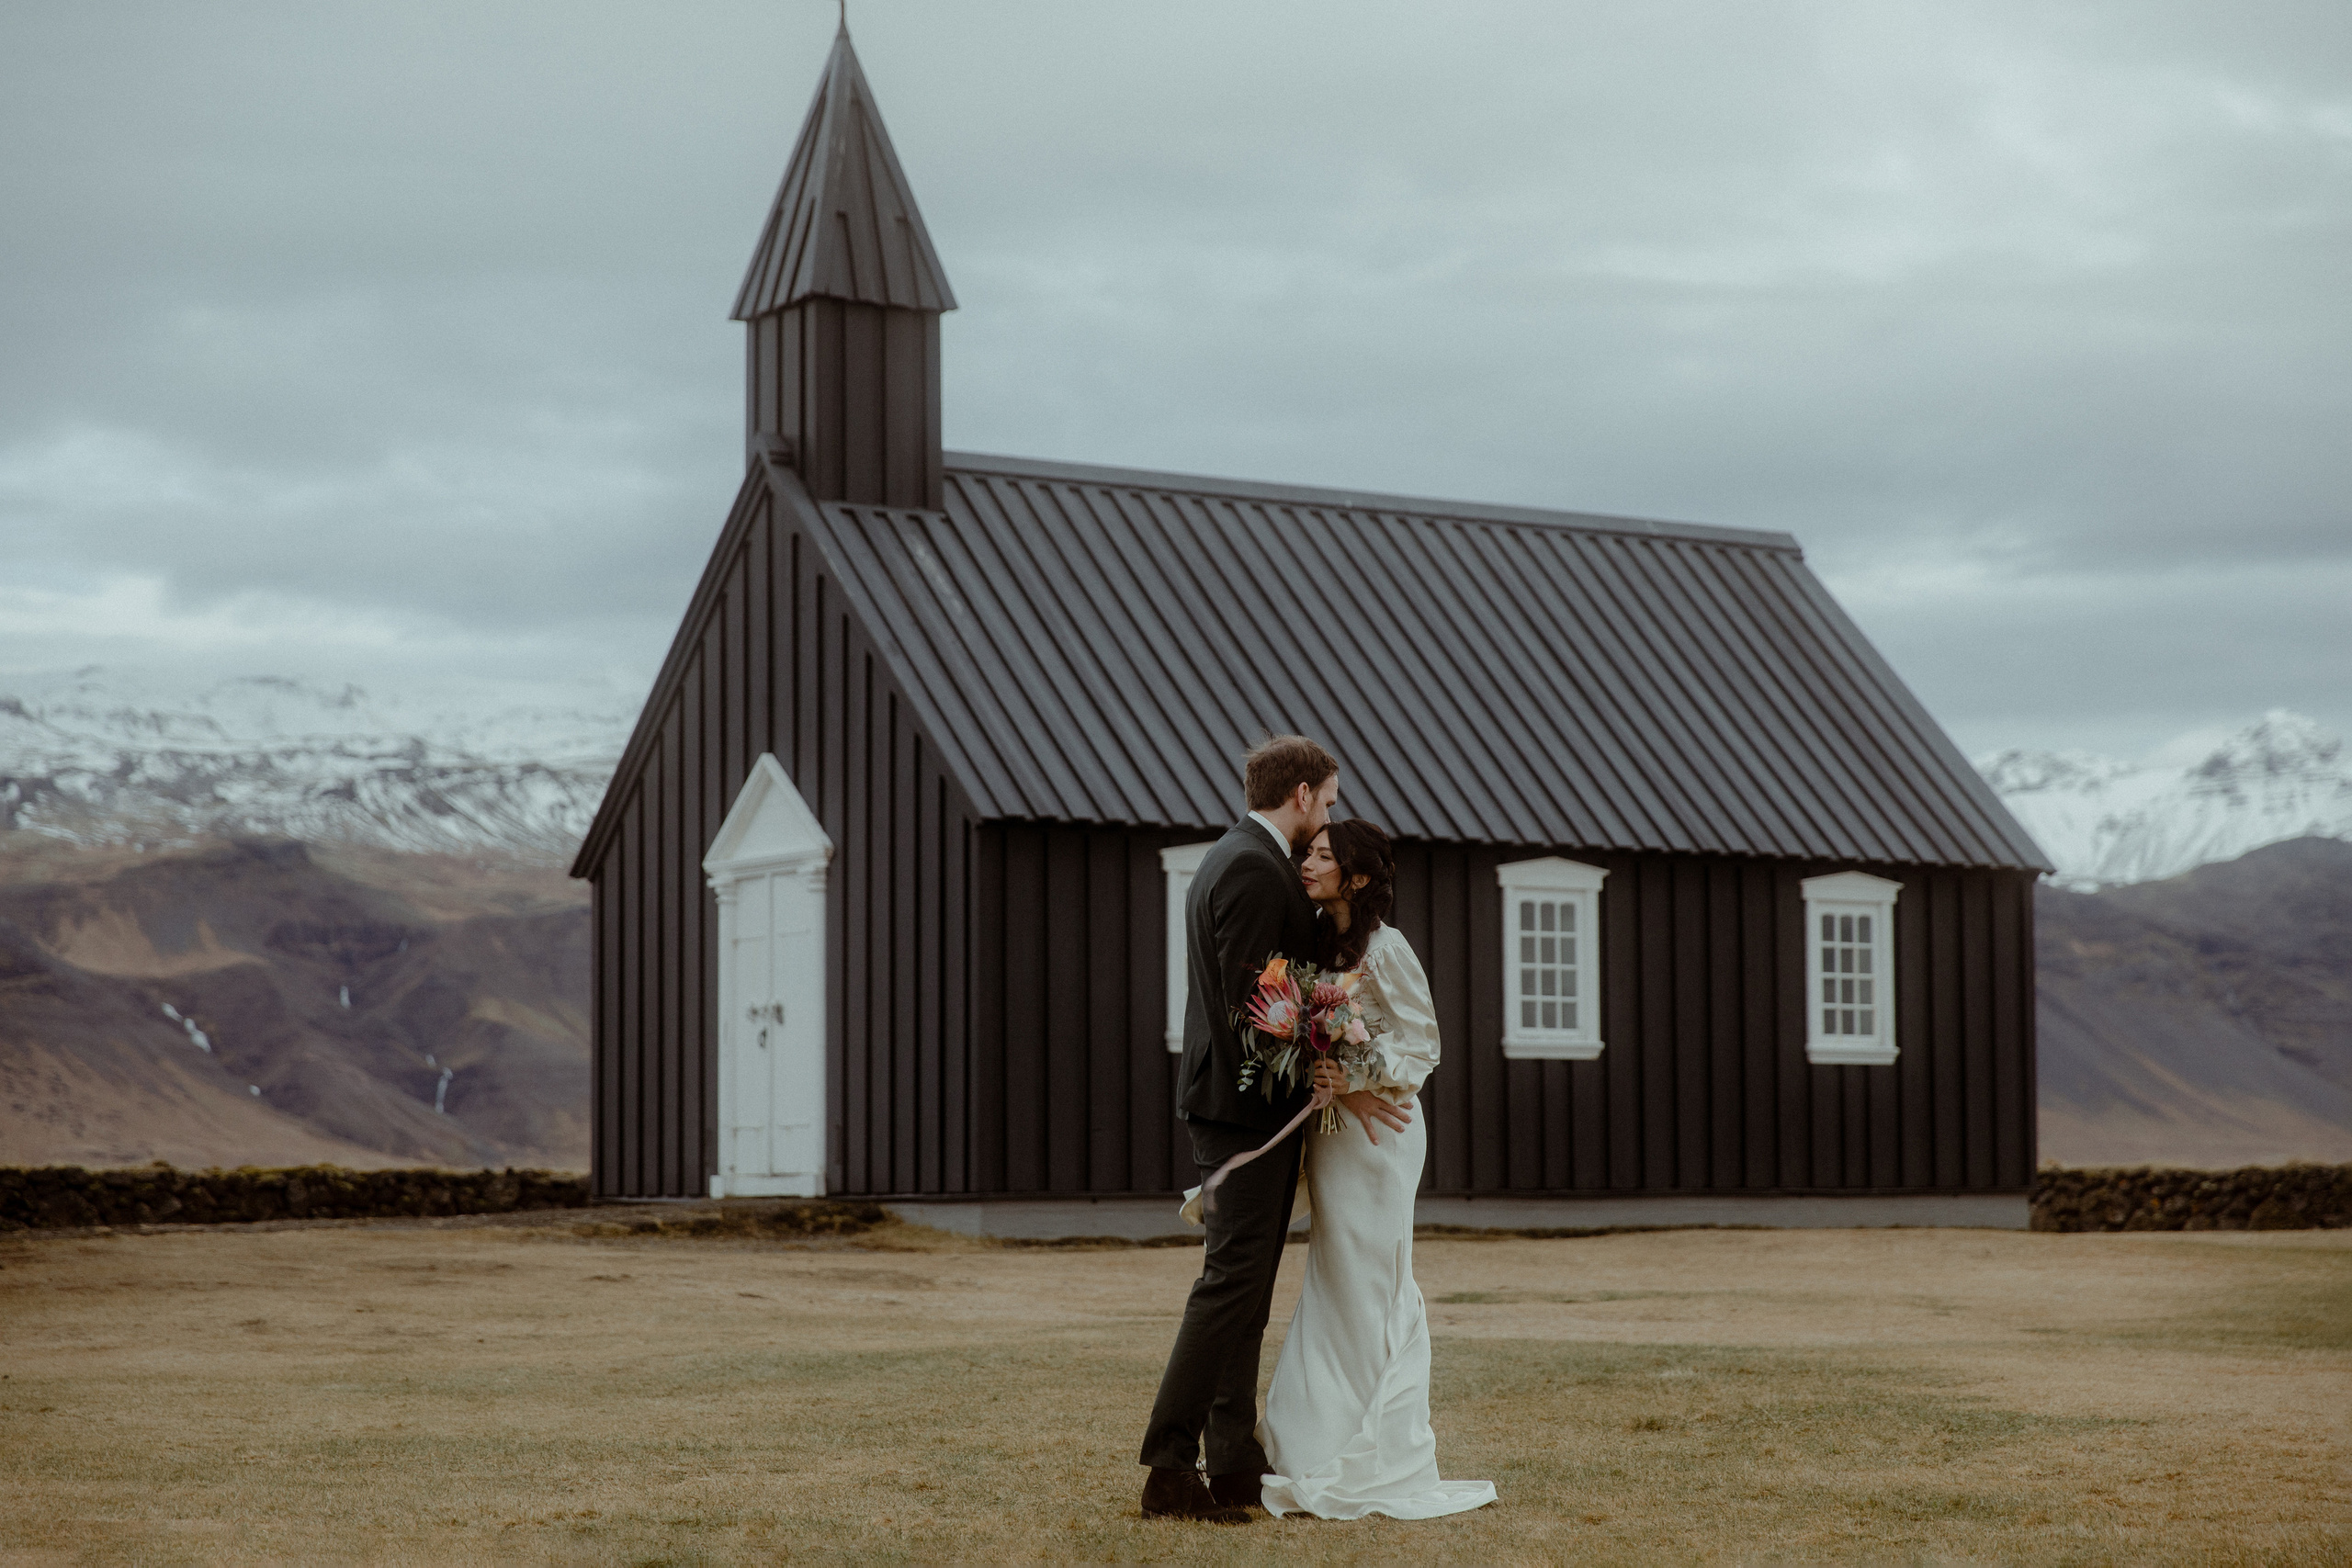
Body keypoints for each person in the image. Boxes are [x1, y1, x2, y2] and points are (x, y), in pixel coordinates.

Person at [1136, 736, 1413, 1523]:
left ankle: (1232, 1458)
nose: (1328, 816)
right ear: (1300, 795)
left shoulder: (1234, 857)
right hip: (1242, 1112)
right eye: (1327, 801)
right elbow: (1257, 1010)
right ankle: (1168, 1465)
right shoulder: (1255, 869)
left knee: (1248, 1289)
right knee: (1230, 1284)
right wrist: (1338, 1073)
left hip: (1241, 1105)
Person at [1256, 818, 1498, 1519]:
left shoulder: (1387, 950)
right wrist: (1320, 1066)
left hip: (1380, 1133)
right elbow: (1307, 1034)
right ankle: (1311, 1445)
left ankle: (1379, 1451)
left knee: (1372, 1280)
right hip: (1333, 1133)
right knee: (1332, 1275)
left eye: (1322, 856)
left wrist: (1356, 1077)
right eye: (1307, 852)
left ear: (1357, 877)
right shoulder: (1314, 949)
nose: (1307, 863)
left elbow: (1422, 1044)